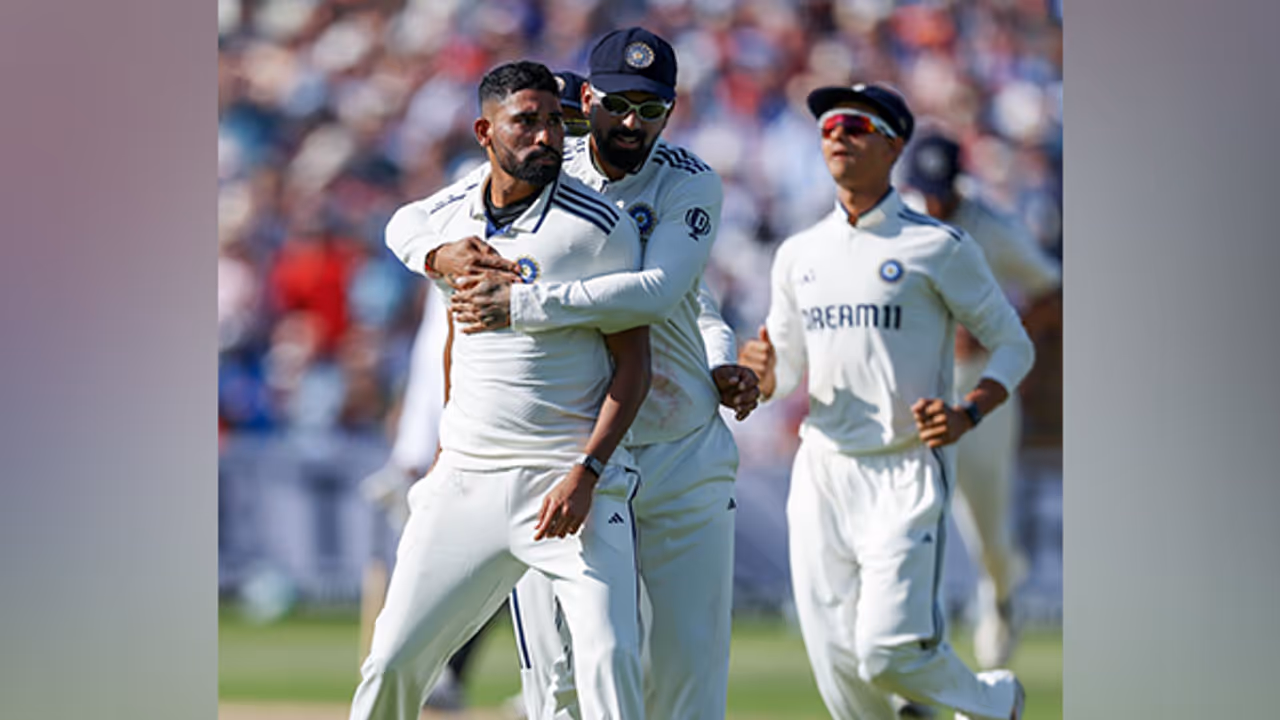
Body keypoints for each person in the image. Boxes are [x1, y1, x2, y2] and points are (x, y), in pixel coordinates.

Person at [392, 27, 759, 720]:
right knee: (558, 682)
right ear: (587, 100)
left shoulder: (689, 180)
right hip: (567, 455)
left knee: (687, 677)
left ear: (671, 110)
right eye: (618, 105)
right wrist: (437, 255)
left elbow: (673, 294)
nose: (632, 123)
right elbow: (412, 219)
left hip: (679, 448)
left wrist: (717, 359)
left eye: (650, 109)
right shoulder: (546, 165)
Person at [351, 60, 649, 720]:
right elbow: (402, 230)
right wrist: (438, 256)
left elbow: (634, 367)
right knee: (392, 662)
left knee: (609, 662)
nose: (546, 136)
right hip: (467, 477)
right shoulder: (451, 213)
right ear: (486, 132)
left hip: (567, 483)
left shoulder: (600, 227)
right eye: (527, 122)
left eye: (554, 123)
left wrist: (588, 472)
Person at [738, 83, 1032, 720]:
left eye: (855, 126)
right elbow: (785, 372)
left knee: (886, 652)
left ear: (895, 146)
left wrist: (969, 411)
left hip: (904, 467)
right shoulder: (799, 254)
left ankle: (994, 700)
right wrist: (761, 374)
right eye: (828, 128)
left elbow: (1014, 344)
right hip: (822, 470)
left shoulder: (938, 246)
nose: (838, 136)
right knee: (837, 669)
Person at [903, 133, 1063, 671]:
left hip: (980, 391)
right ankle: (913, 643)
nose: (933, 203)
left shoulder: (993, 228)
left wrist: (1001, 334)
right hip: (913, 387)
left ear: (957, 184)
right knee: (913, 516)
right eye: (925, 191)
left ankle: (1001, 595)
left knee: (987, 529)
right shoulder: (894, 221)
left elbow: (1051, 292)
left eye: (941, 192)